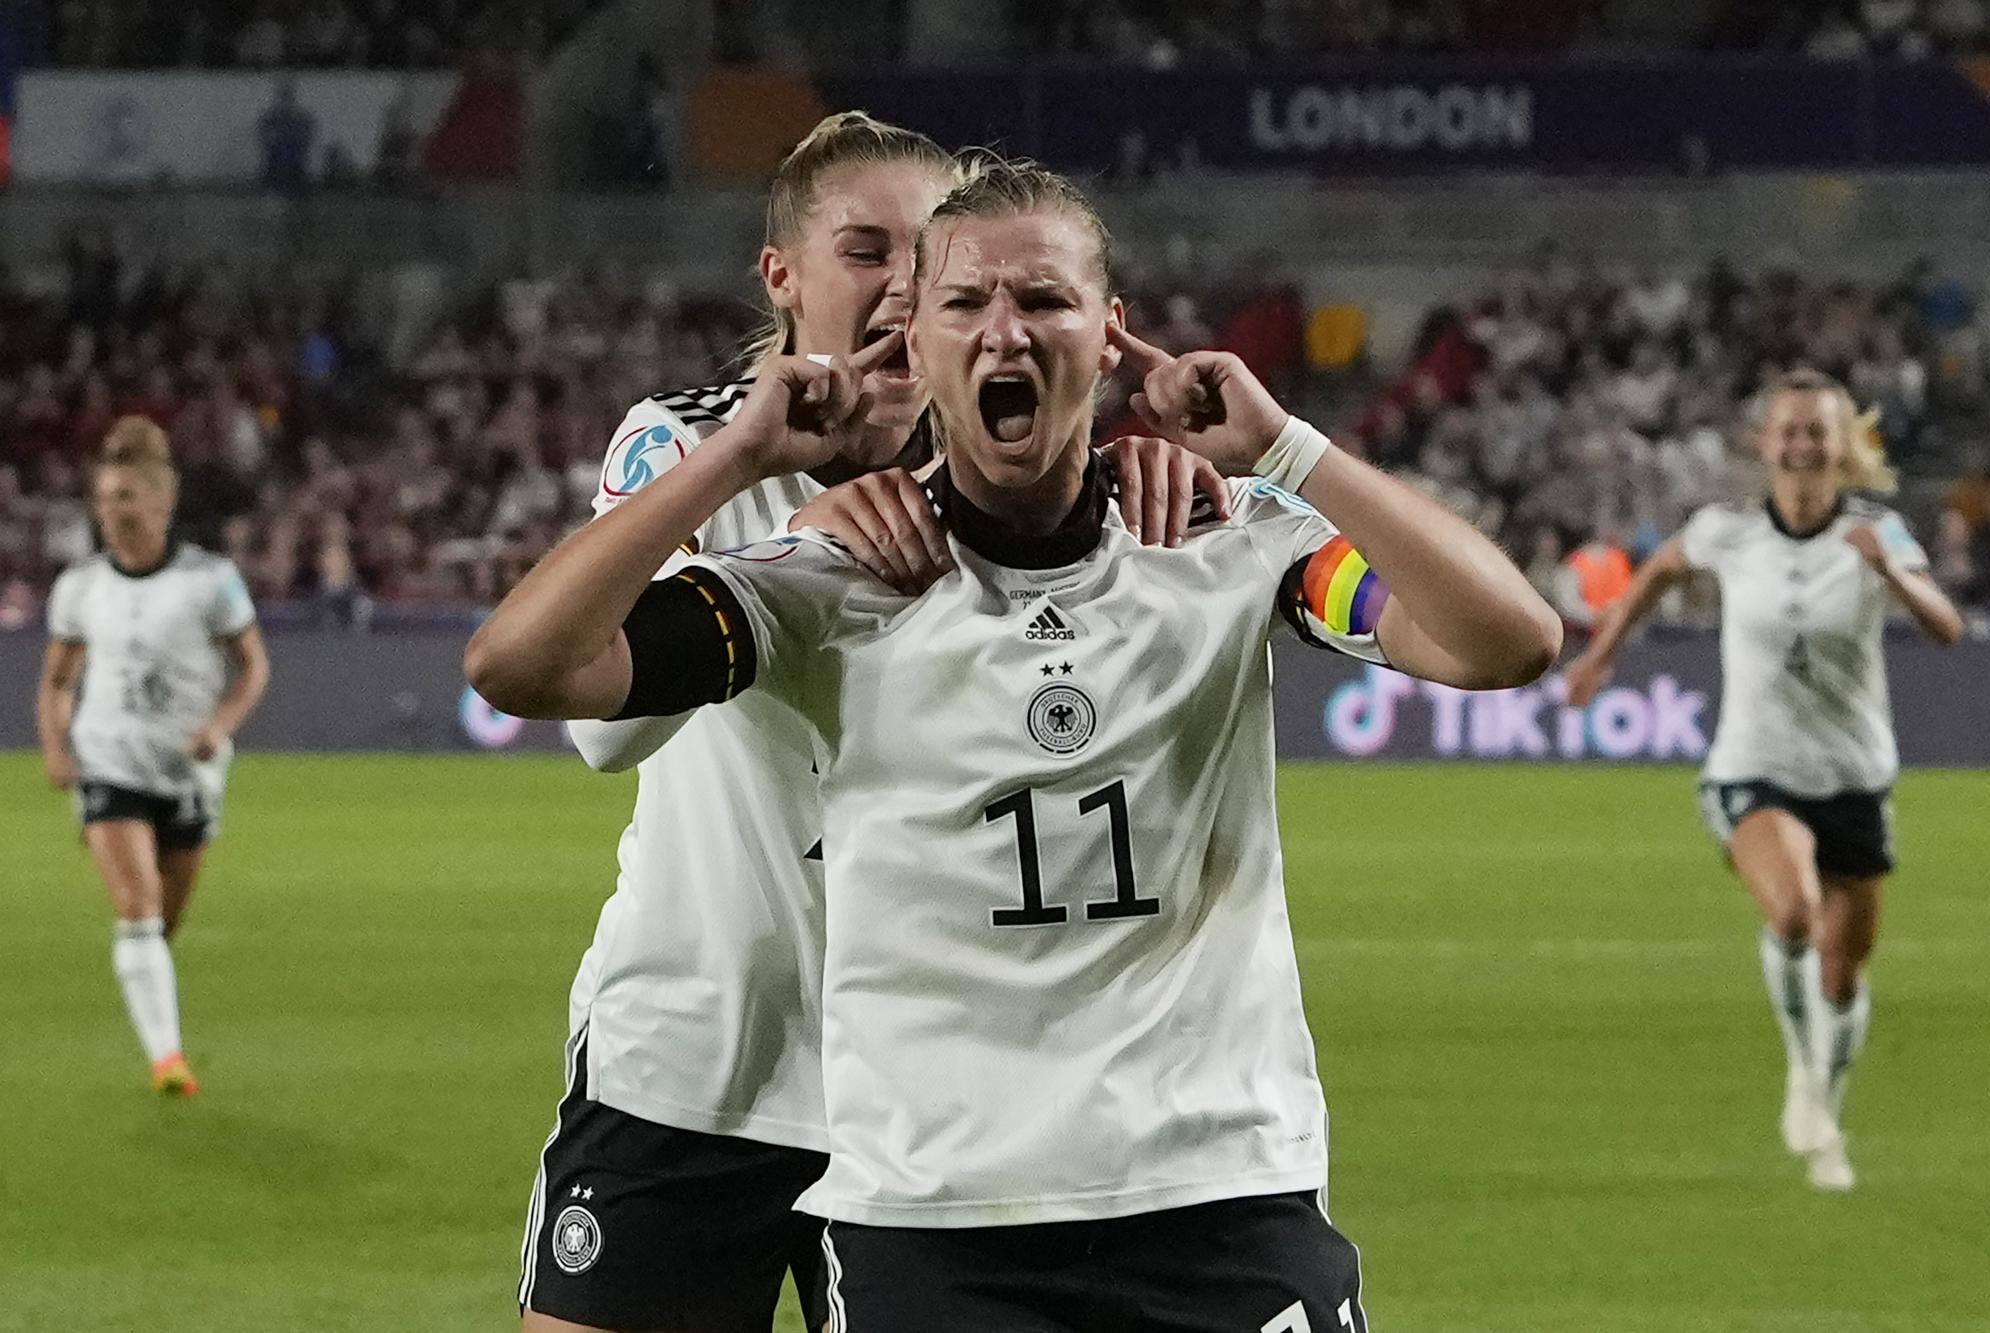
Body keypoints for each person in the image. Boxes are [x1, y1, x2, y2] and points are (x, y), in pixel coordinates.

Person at [468, 160, 1559, 1330]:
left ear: (1109, 336)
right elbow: (523, 668)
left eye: (1042, 302)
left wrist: (1285, 449)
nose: (1005, 334)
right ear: (918, 351)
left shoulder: (1223, 536)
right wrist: (736, 457)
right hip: (933, 1220)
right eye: (965, 307)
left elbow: (1506, 641)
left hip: (1220, 1195)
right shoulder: (826, 578)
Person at [509, 115, 1225, 1333]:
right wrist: (770, 496)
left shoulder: (1029, 484)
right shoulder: (687, 441)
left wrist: (1164, 457)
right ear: (781, 276)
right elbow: (601, 731)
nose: (899, 283)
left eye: (925, 255)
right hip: (700, 1060)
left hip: (937, 1103)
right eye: (862, 249)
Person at [1566, 370, 1964, 1192]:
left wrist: (1891, 573)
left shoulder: (1877, 530)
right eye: (1787, 429)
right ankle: (1798, 1064)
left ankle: (1823, 1092)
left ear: (1840, 443)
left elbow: (1947, 627)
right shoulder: (1729, 530)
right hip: (1753, 767)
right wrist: (1603, 652)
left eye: (1816, 430)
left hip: (1854, 775)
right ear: (1765, 442)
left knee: (1844, 971)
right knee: (1792, 910)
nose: (1800, 444)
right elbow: (1659, 572)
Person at [35, 417, 270, 1097]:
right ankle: (168, 1059)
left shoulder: (210, 582)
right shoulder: (80, 588)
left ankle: (149, 1004)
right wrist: (56, 744)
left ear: (162, 502)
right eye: (104, 499)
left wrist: (220, 723)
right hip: (107, 759)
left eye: (126, 498)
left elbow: (253, 666)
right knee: (136, 907)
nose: (113, 512)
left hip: (188, 771)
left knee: (162, 922)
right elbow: (56, 678)